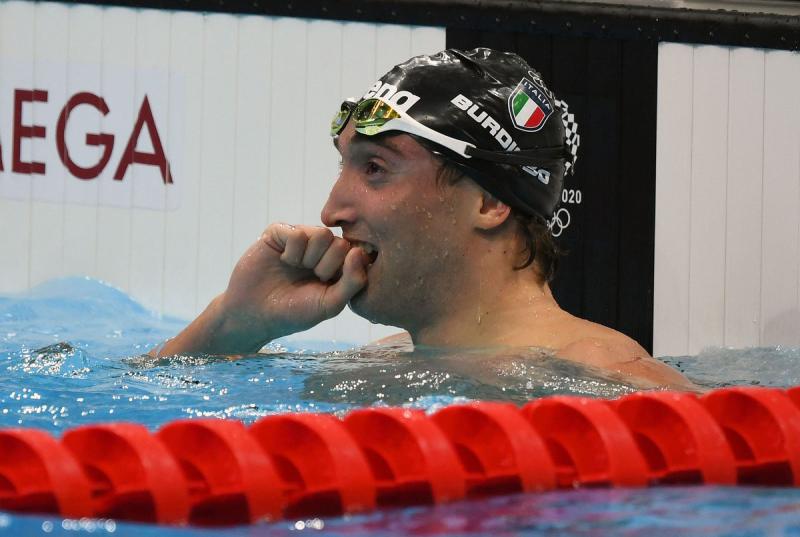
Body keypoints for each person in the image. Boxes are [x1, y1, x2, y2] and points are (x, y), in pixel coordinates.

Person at [154, 48, 692, 389]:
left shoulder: (611, 384)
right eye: (345, 166)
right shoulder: (372, 367)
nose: (332, 210)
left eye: (376, 169)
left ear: (489, 203)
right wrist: (237, 324)